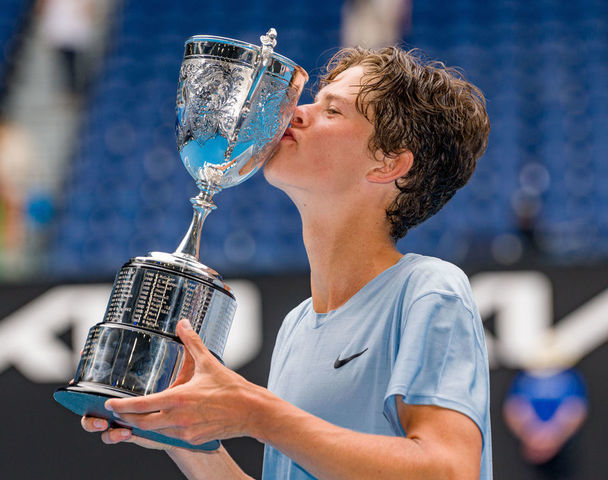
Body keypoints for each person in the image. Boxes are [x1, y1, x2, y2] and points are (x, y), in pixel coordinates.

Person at [82, 45, 493, 479]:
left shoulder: (430, 290)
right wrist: (187, 438)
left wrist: (256, 413)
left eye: (333, 111)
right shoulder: (297, 324)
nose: (296, 112)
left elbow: (448, 470)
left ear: (389, 164)